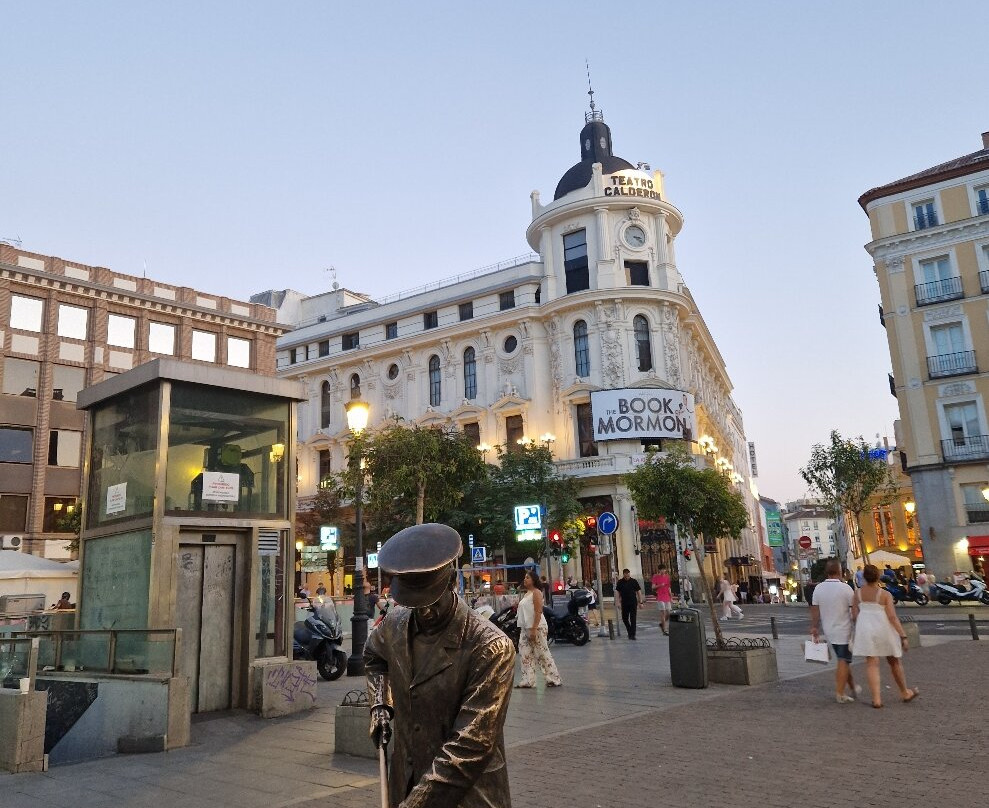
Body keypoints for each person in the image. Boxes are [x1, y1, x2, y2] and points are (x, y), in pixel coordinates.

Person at [365, 523, 515, 808]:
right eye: (416, 604)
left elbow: (472, 743)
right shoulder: (395, 624)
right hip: (405, 782)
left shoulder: (490, 646)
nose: (425, 611)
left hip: (468, 796)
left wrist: (417, 802)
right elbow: (374, 658)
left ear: (451, 584)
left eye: (432, 601)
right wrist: (380, 704)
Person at [852, 564, 918, 708]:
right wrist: (903, 635)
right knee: (894, 661)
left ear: (864, 577)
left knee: (871, 663)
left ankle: (876, 699)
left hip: (866, 629)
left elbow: (855, 615)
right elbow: (892, 617)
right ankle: (904, 692)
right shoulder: (885, 594)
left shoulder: (857, 594)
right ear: (878, 577)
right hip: (883, 628)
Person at [809, 559, 860, 704]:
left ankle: (853, 687)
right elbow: (853, 610)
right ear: (840, 572)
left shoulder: (818, 588)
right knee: (843, 660)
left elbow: (815, 610)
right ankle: (840, 693)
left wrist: (814, 627)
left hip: (828, 630)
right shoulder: (846, 588)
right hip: (844, 630)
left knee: (843, 659)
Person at [515, 569, 562, 688]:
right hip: (525, 627)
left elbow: (538, 611)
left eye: (527, 577)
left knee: (542, 652)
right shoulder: (526, 594)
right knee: (525, 654)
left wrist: (534, 629)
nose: (525, 579)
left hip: (537, 627)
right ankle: (528, 680)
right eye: (525, 577)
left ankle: (553, 678)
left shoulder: (536, 592)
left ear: (534, 580)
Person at [615, 568, 643, 640]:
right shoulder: (620, 582)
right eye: (626, 576)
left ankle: (632, 635)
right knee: (624, 618)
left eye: (628, 575)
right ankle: (629, 630)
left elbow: (639, 591)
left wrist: (641, 602)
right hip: (624, 602)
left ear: (629, 574)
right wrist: (617, 602)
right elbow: (617, 592)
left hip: (633, 602)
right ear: (623, 574)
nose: (627, 577)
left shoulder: (634, 581)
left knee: (633, 618)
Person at [650, 565, 673, 635]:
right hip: (660, 596)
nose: (663, 571)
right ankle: (665, 629)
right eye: (661, 570)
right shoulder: (655, 577)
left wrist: (671, 597)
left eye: (664, 569)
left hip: (667, 596)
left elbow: (669, 587)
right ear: (659, 570)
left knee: (669, 613)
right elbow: (653, 587)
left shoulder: (667, 577)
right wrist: (660, 585)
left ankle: (662, 623)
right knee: (663, 612)